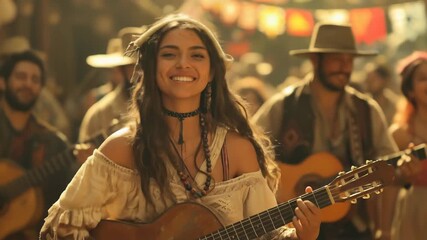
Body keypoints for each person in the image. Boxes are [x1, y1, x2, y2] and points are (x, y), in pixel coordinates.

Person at [40, 14, 321, 240]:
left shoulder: (236, 150)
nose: (183, 64)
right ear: (151, 67)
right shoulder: (120, 149)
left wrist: (301, 236)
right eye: (170, 54)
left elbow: (268, 235)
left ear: (211, 71)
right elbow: (58, 230)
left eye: (197, 55)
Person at [252, 23, 399, 240]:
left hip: (353, 229)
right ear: (314, 60)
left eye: (349, 60)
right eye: (336, 59)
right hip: (293, 230)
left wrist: (384, 229)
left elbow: (390, 166)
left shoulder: (366, 111)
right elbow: (248, 153)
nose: (345, 67)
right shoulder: (284, 105)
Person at [0, 50, 74, 240]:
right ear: (3, 82)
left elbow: (65, 202)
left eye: (35, 80)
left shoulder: (54, 143)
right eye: (21, 77)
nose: (28, 84)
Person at [78, 26, 144, 143]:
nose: (141, 72)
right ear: (121, 69)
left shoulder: (171, 106)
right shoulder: (100, 115)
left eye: (145, 65)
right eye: (133, 66)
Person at [388, 51, 427, 240]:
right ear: (410, 90)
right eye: (423, 78)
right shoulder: (399, 134)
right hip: (415, 211)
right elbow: (388, 183)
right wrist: (404, 174)